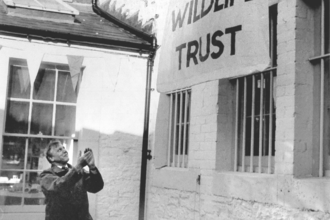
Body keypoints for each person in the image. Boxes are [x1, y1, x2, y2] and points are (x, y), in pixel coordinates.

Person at [40, 140, 104, 220]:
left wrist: (92, 167)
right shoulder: (46, 175)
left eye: (63, 148)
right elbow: (60, 186)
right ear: (51, 158)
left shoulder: (78, 171)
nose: (64, 151)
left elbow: (96, 187)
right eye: (59, 150)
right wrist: (78, 166)